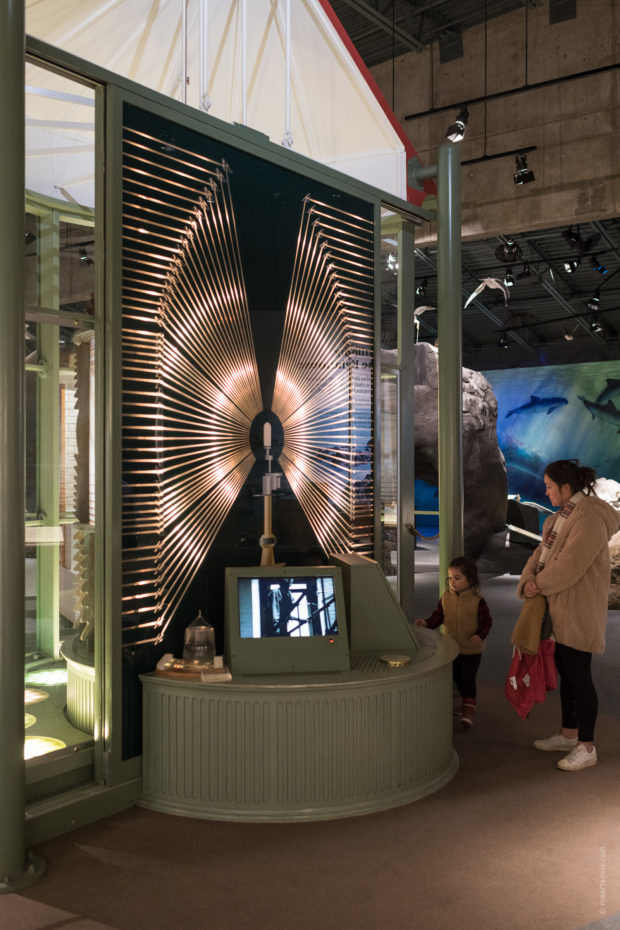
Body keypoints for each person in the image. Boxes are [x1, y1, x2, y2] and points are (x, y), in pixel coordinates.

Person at [518, 459, 620, 772]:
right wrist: (528, 580)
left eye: (549, 486)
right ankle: (568, 734)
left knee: (579, 675)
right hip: (559, 606)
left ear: (566, 487)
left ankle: (586, 746)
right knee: (566, 669)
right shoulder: (560, 517)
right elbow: (539, 554)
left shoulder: (588, 516)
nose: (545, 491)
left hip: (578, 608)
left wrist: (538, 584)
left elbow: (571, 565)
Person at [415, 556, 493, 728]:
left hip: (471, 650)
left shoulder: (477, 601)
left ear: (470, 580)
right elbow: (438, 616)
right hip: (451, 648)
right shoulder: (446, 597)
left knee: (468, 678)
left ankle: (469, 707)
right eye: (450, 578)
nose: (452, 582)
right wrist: (427, 623)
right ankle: (466, 703)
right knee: (457, 677)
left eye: (457, 578)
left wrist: (479, 635)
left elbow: (486, 622)